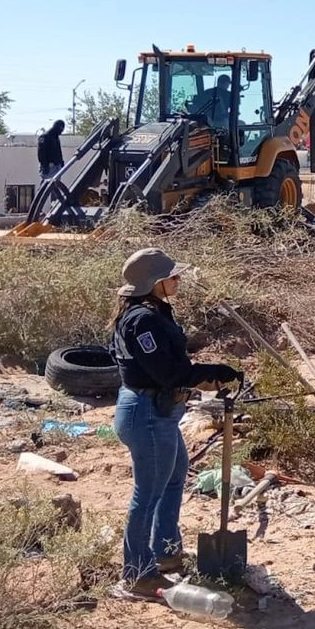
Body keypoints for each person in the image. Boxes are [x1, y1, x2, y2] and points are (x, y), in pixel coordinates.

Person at [108, 248, 242, 599]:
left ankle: (165, 552)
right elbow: (167, 372)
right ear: (155, 283)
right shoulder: (142, 320)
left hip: (157, 412)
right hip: (148, 413)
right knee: (148, 494)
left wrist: (203, 374)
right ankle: (137, 574)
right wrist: (210, 373)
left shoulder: (151, 313)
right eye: (172, 276)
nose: (177, 279)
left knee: (173, 478)